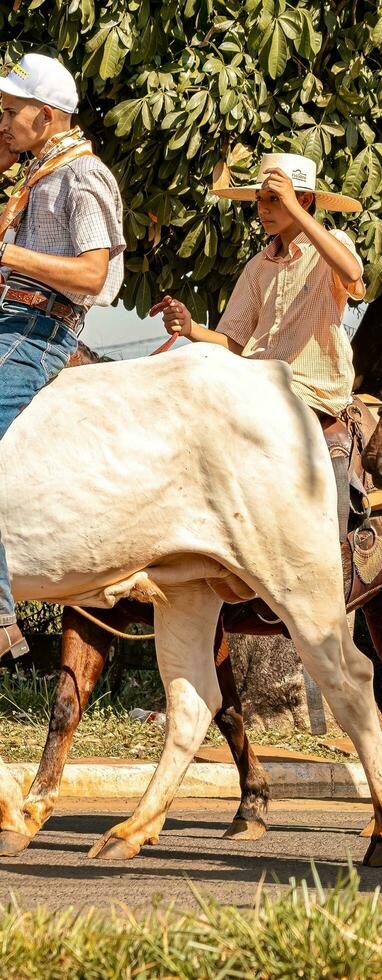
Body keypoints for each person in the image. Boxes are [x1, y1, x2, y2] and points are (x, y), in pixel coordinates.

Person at [150, 151, 370, 583]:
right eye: (261, 200)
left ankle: (335, 551)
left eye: (274, 199)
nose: (263, 209)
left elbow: (353, 274)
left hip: (311, 390)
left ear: (304, 202)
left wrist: (299, 213)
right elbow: (233, 343)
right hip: (257, 385)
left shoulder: (333, 244)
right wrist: (191, 327)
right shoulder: (256, 268)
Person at [0, 54, 126, 657]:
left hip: (35, 331)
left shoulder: (83, 176)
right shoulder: (39, 171)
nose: (0, 121)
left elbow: (93, 274)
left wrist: (8, 255)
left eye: (8, 111)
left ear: (45, 116)